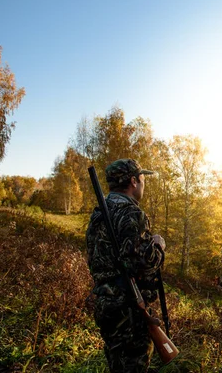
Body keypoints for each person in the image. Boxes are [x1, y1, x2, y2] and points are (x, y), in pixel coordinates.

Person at [86, 159, 166, 373]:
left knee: (118, 364)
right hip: (128, 308)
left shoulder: (98, 214)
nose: (143, 184)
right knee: (134, 365)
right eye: (142, 179)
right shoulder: (132, 214)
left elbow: (94, 258)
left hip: (105, 303)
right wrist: (158, 246)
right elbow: (141, 264)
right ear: (133, 181)